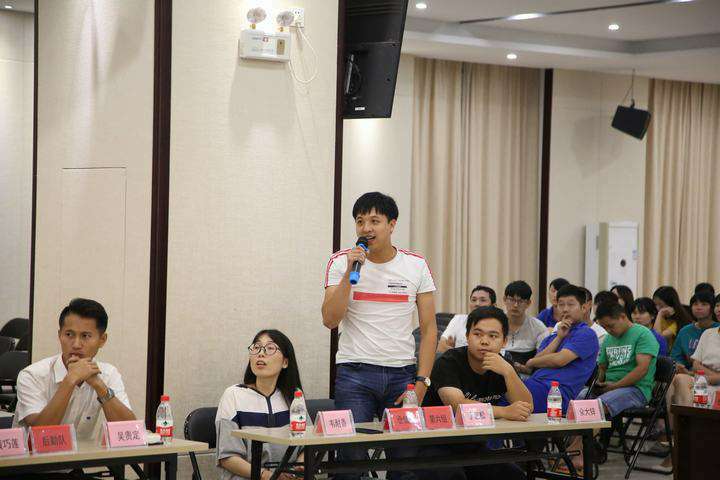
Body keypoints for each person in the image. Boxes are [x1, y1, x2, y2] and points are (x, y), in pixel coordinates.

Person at [322, 192, 437, 480]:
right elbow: (330, 319)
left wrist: (422, 382)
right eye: (360, 221)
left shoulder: (415, 265)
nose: (366, 228)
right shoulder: (341, 262)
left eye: (374, 221)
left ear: (392, 224)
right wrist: (349, 274)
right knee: (350, 462)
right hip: (354, 374)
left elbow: (429, 329)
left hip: (402, 375)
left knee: (405, 464)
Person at [418, 306, 533, 480]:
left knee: (514, 475)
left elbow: (527, 406)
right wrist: (504, 411)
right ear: (467, 336)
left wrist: (509, 372)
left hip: (472, 446)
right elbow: (457, 406)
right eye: (478, 334)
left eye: (493, 336)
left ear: (504, 341)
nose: (484, 341)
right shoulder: (449, 362)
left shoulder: (502, 366)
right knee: (454, 476)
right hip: (435, 443)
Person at [13, 299, 135, 440]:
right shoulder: (32, 375)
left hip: (80, 455)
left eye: (85, 336)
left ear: (102, 340)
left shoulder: (108, 374)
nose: (76, 344)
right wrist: (70, 380)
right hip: (30, 454)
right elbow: (40, 434)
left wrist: (99, 385)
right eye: (69, 335)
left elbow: (130, 431)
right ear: (60, 335)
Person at [563, 302, 658, 473]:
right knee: (579, 398)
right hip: (610, 388)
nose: (608, 330)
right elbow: (602, 367)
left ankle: (576, 452)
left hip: (636, 390)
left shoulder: (643, 334)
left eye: (611, 325)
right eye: (605, 327)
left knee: (596, 405)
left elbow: (642, 369)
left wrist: (614, 386)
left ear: (622, 317)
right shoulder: (609, 338)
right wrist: (598, 383)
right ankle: (575, 449)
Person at [216, 330, 303, 480]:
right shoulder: (233, 395)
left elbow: (307, 445)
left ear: (285, 362)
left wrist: (300, 469)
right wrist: (270, 476)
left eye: (270, 348)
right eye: (256, 348)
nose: (261, 354)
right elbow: (227, 458)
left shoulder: (294, 398)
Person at [659, 293, 720, 470]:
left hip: (712, 383)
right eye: (718, 305)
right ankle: (681, 434)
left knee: (686, 384)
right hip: (703, 381)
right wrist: (704, 376)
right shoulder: (709, 333)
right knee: (677, 378)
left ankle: (680, 440)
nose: (719, 309)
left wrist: (706, 376)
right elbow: (696, 363)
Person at [522, 285, 600, 413]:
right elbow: (538, 360)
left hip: (557, 394)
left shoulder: (586, 334)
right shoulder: (555, 335)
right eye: (561, 304)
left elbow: (559, 360)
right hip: (536, 385)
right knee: (501, 388)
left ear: (584, 308)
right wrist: (558, 338)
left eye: (570, 304)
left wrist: (530, 362)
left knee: (506, 392)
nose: (565, 309)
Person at [500, 281, 549, 368]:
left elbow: (544, 357)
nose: (515, 305)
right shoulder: (496, 322)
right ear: (504, 299)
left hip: (527, 373)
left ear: (528, 303)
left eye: (521, 301)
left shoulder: (538, 327)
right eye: (511, 300)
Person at [670, 290, 719, 374]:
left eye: (704, 304)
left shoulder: (716, 329)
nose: (698, 307)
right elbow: (676, 356)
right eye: (695, 304)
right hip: (688, 372)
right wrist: (680, 366)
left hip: (712, 372)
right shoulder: (685, 331)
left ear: (712, 308)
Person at [438, 285, 496, 353]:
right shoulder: (459, 319)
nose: (477, 304)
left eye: (483, 300)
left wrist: (453, 350)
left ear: (493, 306)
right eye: (474, 300)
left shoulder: (497, 325)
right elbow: (441, 347)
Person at [653, 286, 693, 350]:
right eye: (655, 304)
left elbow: (658, 337)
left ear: (671, 304)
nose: (657, 308)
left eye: (661, 305)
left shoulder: (679, 320)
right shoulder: (660, 318)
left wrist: (660, 313)